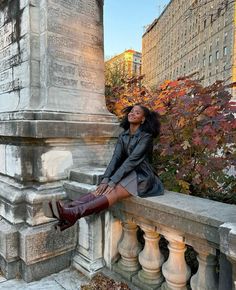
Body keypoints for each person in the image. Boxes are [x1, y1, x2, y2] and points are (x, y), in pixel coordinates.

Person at [44, 104, 164, 231]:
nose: (132, 114)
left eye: (137, 113)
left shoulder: (146, 137)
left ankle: (72, 214)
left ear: (143, 119)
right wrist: (106, 179)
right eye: (132, 111)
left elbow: (132, 160)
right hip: (126, 172)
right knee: (101, 189)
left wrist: (113, 181)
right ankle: (68, 209)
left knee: (113, 191)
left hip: (142, 175)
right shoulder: (123, 136)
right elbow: (115, 158)